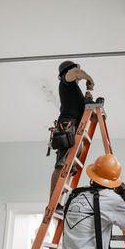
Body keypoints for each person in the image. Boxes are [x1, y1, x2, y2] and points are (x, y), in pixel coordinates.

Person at [50, 60, 95, 200]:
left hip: (76, 129)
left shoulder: (75, 90)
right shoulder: (66, 83)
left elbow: (81, 111)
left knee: (70, 168)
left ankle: (59, 200)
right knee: (62, 164)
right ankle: (53, 201)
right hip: (67, 126)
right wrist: (89, 79)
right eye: (76, 69)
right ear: (68, 71)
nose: (78, 73)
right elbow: (75, 73)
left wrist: (87, 100)